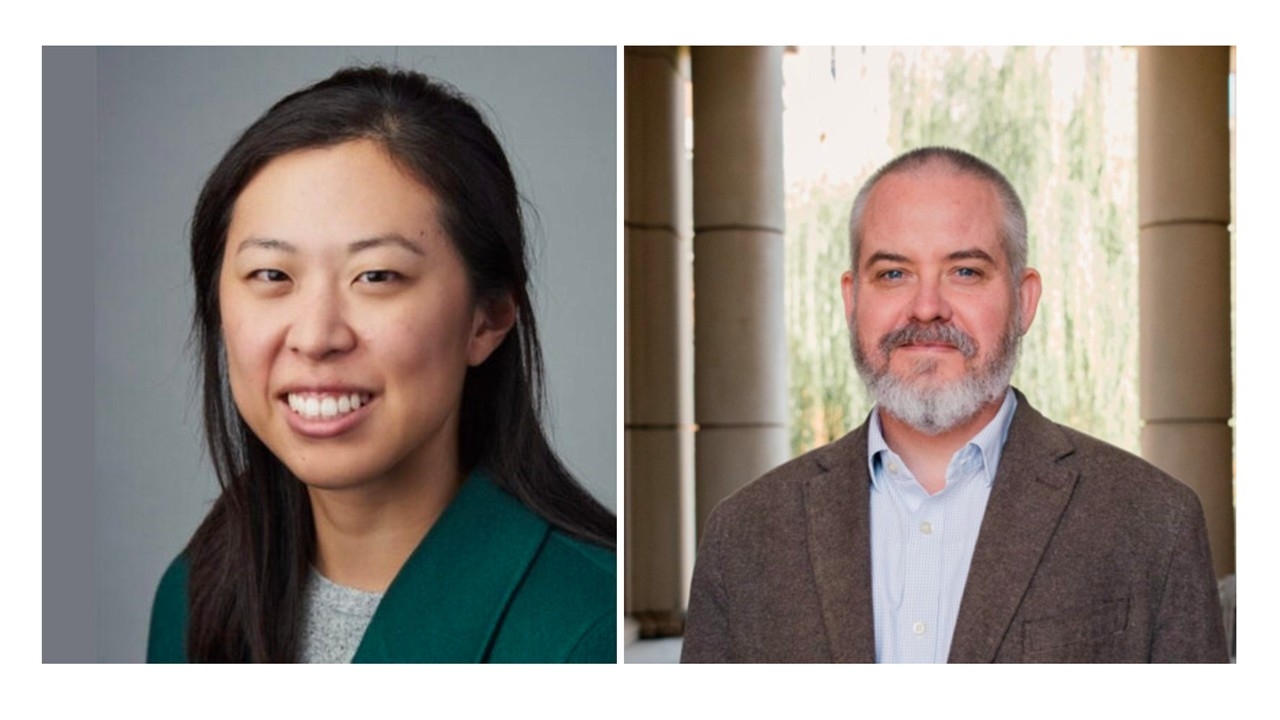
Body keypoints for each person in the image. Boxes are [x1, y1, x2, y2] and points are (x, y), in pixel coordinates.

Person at [681, 146, 1227, 663]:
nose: (926, 308)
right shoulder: (744, 537)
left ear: (1024, 300)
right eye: (893, 273)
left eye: (965, 271)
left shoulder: (1154, 522)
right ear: (852, 301)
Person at [147, 66, 616, 663]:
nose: (316, 337)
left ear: (489, 317)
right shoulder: (196, 593)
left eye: (376, 276)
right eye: (272, 275)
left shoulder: (585, 628)